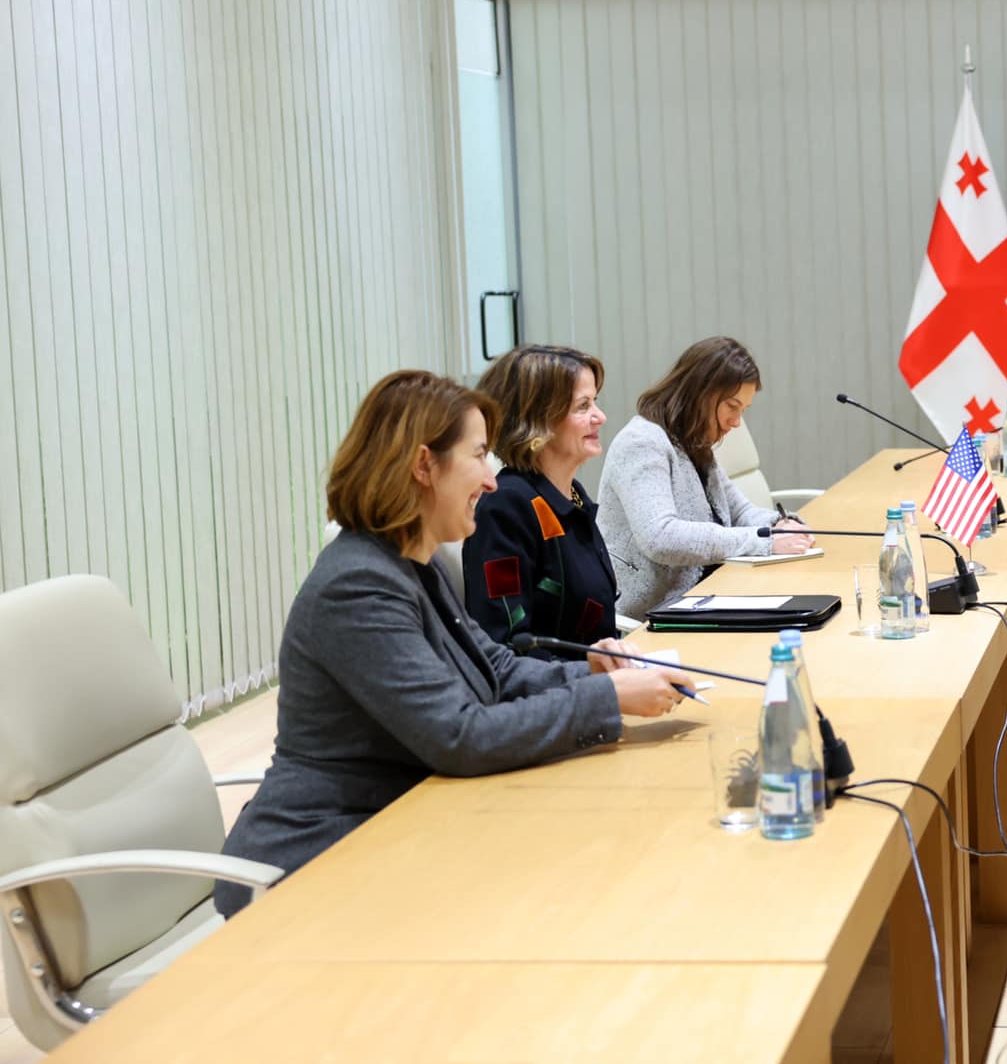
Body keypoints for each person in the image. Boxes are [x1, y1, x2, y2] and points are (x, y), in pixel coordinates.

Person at [216, 371, 694, 916]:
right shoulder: (359, 586)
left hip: (400, 827)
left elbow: (496, 670)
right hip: (315, 862)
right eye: (479, 456)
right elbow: (460, 735)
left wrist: (594, 671)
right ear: (424, 466)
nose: (491, 482)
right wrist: (606, 698)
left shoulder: (409, 563)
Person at [598, 336, 812, 618]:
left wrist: (780, 525)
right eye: (732, 406)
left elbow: (739, 511)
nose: (737, 422)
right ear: (700, 393)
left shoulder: (693, 441)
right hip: (653, 614)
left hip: (706, 594)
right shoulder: (641, 443)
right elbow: (661, 538)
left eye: (743, 410)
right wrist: (764, 542)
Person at [464, 344, 620, 657]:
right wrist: (596, 674)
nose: (600, 417)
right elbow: (506, 644)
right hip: (558, 685)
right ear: (537, 420)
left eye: (595, 402)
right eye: (583, 406)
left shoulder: (572, 495)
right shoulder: (506, 507)